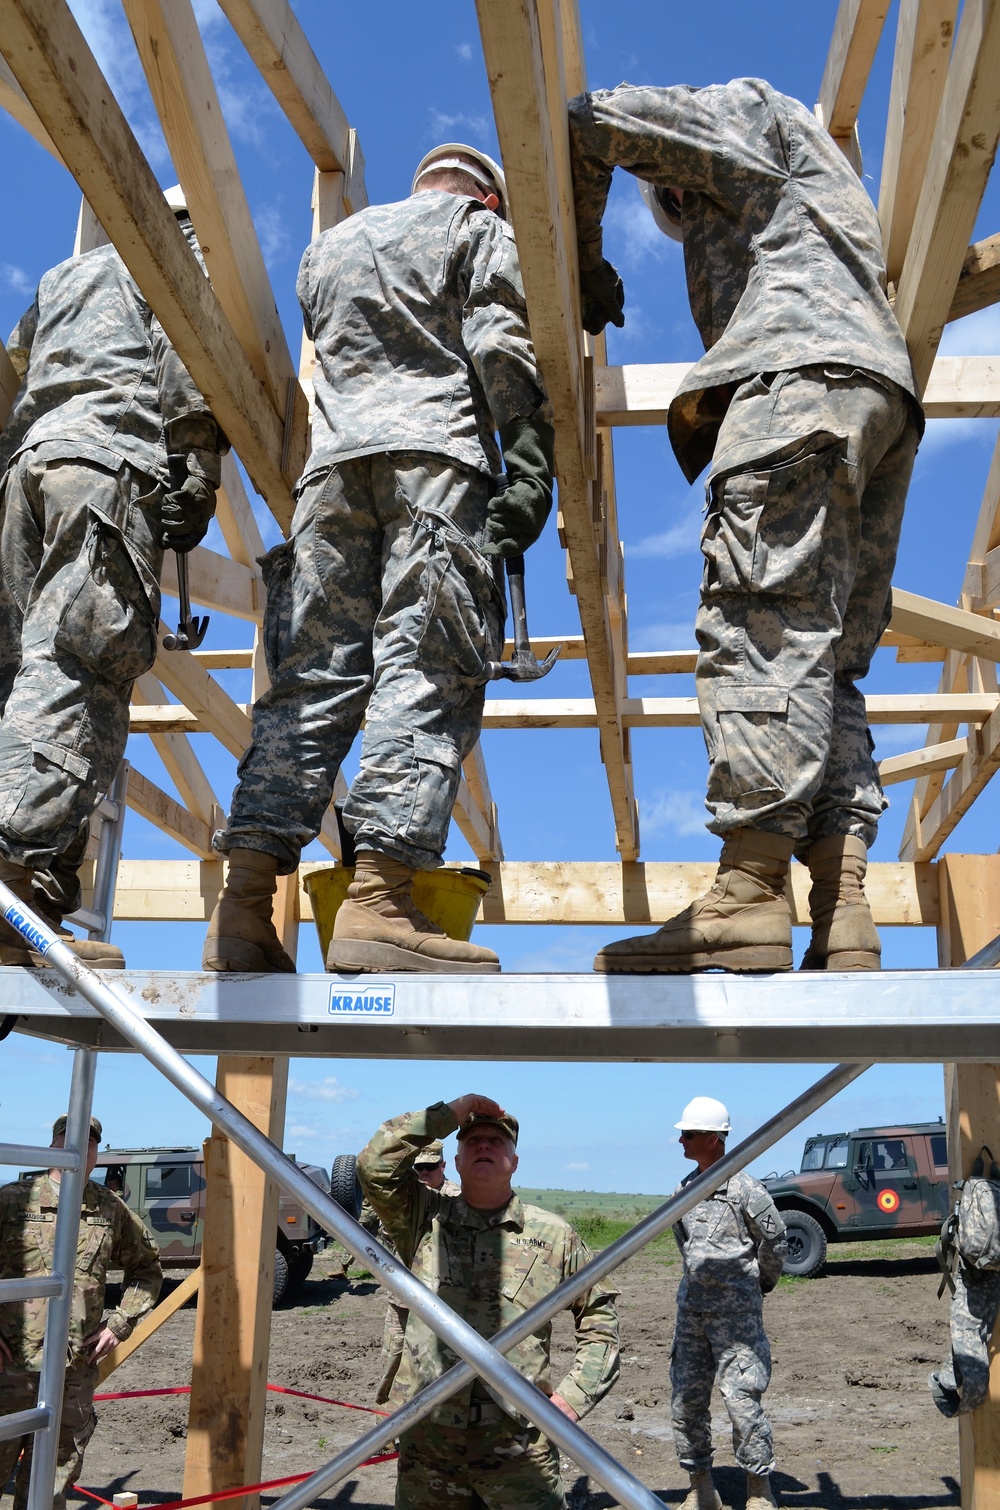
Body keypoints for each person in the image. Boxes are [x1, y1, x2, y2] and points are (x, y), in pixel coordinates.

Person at [567, 81, 924, 975]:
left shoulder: (745, 117)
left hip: (795, 379)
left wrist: (580, 254)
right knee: (826, 655)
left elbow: (586, 116)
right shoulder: (820, 195)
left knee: (759, 623)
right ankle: (843, 910)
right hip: (874, 398)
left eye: (683, 211)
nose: (690, 232)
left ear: (683, 185)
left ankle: (750, 896)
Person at [204, 145, 553, 978]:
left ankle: (245, 908)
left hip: (329, 481)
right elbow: (501, 343)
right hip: (436, 463)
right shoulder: (474, 231)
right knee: (425, 670)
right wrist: (531, 460)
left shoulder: (330, 250)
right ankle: (379, 903)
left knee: (310, 682)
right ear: (491, 199)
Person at [0, 187, 225, 970]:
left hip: (28, 469)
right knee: (81, 662)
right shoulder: (176, 256)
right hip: (103, 469)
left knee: (19, 668)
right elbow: (189, 370)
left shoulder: (65, 277)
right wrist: (194, 482)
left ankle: (39, 881)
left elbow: (13, 371)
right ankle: (15, 891)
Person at [357, 1094, 620, 1510]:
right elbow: (374, 1167)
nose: (484, 1145)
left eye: (496, 1141)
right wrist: (452, 1112)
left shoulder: (554, 1237)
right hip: (431, 1445)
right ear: (456, 1161)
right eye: (472, 1139)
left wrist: (573, 1398)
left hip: (517, 1447)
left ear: (515, 1161)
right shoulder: (422, 1218)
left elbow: (600, 1319)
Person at [0, 1115, 162, 1510]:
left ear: (95, 1152)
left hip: (72, 1372)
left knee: (53, 1479)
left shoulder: (109, 1208)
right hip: (8, 1367)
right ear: (53, 1145)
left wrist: (120, 1325)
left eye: (88, 1142)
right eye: (68, 1138)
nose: (78, 1148)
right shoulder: (13, 1201)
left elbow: (147, 1269)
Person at [668, 1097, 786, 1510]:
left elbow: (775, 1241)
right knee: (686, 1401)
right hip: (692, 1316)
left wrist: (758, 1285)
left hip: (737, 1320)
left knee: (741, 1402)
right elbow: (685, 1246)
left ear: (715, 1139)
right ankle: (700, 1488)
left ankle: (759, 1491)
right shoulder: (683, 1190)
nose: (681, 1139)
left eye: (690, 1133)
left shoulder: (746, 1190)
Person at [362, 1139, 462, 1405]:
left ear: (443, 1165)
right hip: (402, 1301)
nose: (424, 1174)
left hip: (442, 1303)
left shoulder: (456, 1200)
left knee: (439, 1367)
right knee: (392, 1362)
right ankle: (384, 1431)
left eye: (430, 1167)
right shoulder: (406, 1200)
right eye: (419, 1168)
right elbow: (388, 1239)